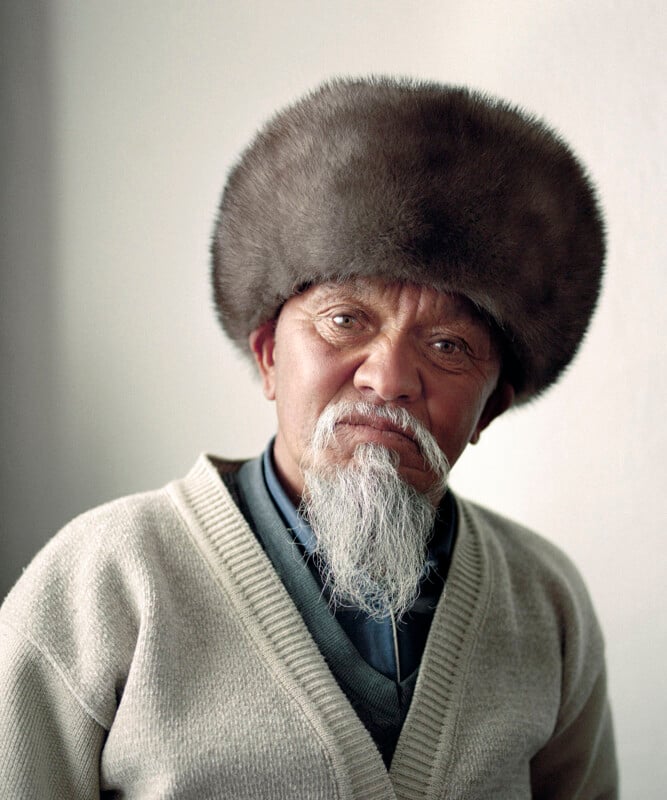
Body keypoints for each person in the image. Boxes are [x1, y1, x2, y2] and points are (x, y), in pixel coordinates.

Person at [0, 77, 618, 799]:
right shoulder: (102, 579)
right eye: (345, 320)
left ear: (489, 409)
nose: (387, 379)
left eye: (448, 345)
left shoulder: (544, 602)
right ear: (267, 354)